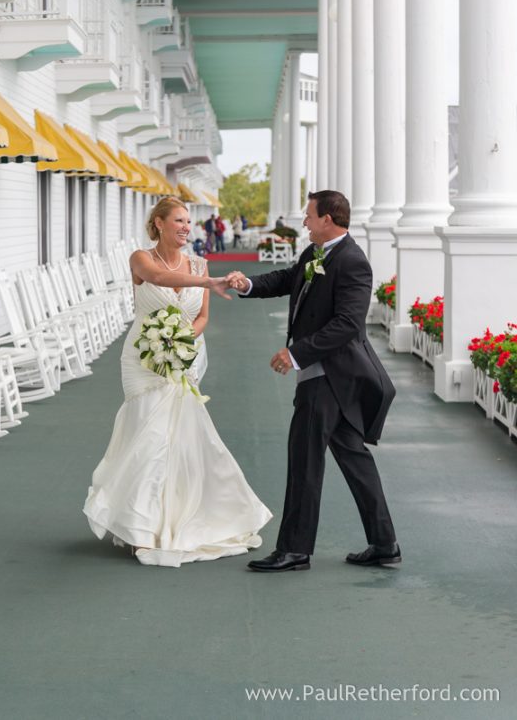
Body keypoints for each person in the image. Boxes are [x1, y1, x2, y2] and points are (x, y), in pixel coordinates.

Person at [84, 196, 271, 567]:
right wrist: (207, 279)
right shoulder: (141, 258)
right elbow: (159, 279)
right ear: (158, 224)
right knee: (146, 432)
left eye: (188, 222)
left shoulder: (200, 262)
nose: (186, 227)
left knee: (176, 437)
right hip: (141, 359)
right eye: (179, 221)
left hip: (182, 357)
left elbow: (201, 316)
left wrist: (182, 341)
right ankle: (140, 524)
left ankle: (162, 519)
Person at [225, 190, 399, 573]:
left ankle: (294, 550)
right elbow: (287, 279)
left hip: (331, 376)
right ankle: (384, 543)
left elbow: (347, 325)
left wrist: (296, 352)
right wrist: (246, 285)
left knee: (304, 460)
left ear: (328, 219)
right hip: (325, 376)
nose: (303, 221)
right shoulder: (314, 254)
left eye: (309, 215)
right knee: (354, 459)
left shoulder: (353, 261)